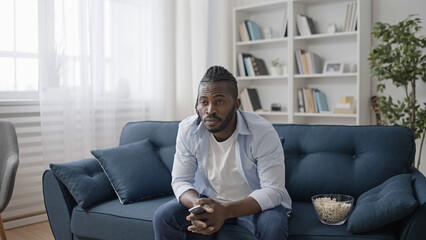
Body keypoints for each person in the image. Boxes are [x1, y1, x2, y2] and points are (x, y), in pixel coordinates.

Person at [153, 66, 291, 240]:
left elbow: (273, 190)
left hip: (251, 204)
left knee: (273, 224)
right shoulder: (188, 130)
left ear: (236, 105)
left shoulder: (262, 132)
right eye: (203, 102)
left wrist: (224, 211)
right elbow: (181, 180)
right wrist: (200, 206)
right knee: (164, 217)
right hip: (208, 200)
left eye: (219, 101)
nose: (210, 110)